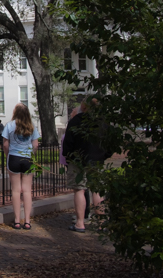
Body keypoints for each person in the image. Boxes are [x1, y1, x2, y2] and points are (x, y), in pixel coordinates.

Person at [62, 98, 108, 232]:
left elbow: (67, 144)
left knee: (79, 190)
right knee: (97, 190)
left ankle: (80, 223)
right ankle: (101, 222)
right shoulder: (103, 123)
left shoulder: (75, 121)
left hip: (78, 161)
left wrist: (69, 157)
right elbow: (109, 143)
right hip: (97, 160)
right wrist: (103, 155)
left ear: (84, 107)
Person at [2, 103, 41, 230]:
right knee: (27, 191)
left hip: (14, 157)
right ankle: (28, 221)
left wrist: (8, 155)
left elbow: (5, 144)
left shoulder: (9, 125)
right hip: (27, 158)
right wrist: (31, 155)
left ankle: (17, 221)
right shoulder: (32, 126)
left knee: (16, 190)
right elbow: (35, 145)